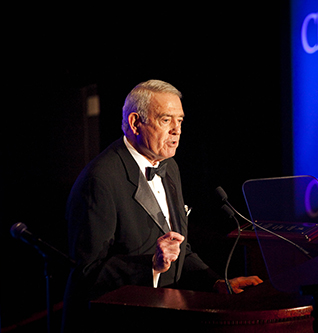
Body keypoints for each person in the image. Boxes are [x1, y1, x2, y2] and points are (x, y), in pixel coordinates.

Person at [62, 80, 262, 331]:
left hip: (164, 313)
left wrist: (216, 283)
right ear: (135, 123)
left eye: (180, 121)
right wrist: (152, 266)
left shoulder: (169, 167)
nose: (176, 131)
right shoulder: (100, 180)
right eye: (166, 120)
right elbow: (87, 273)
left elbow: (179, 250)